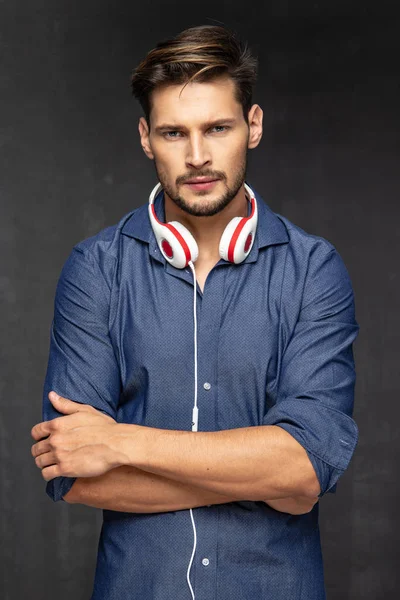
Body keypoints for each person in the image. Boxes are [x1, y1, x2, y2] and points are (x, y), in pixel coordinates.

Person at [31, 24, 360, 600]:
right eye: (173, 133)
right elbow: (77, 472)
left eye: (218, 128)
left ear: (253, 126)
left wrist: (122, 443)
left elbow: (305, 469)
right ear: (144, 137)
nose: (198, 156)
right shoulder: (96, 270)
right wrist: (263, 474)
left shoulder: (314, 270)